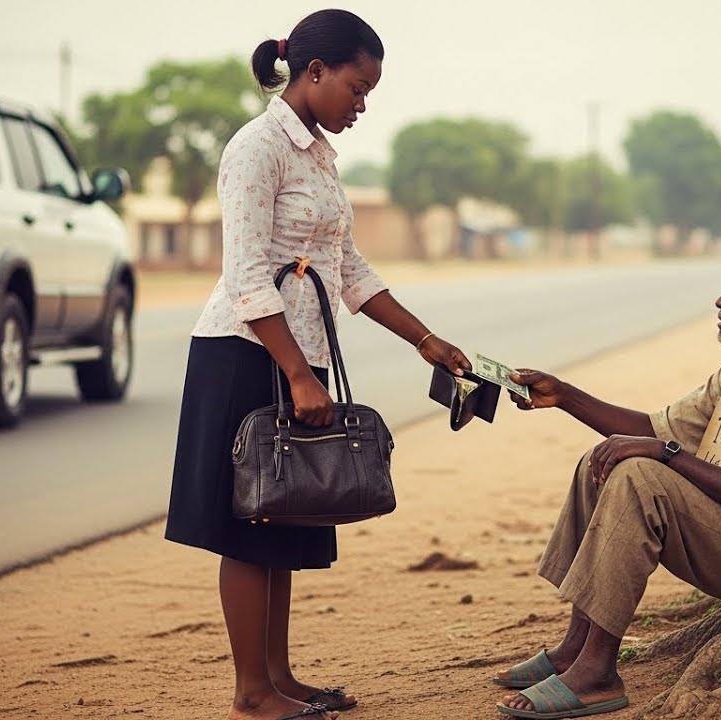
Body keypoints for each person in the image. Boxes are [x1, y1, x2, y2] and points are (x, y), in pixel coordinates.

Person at [164, 10, 471, 720]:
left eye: (369, 93)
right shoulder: (256, 148)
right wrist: (299, 374)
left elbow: (347, 269)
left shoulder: (319, 156)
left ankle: (279, 677)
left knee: (285, 514)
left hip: (299, 358)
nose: (361, 105)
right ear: (315, 72)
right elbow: (246, 276)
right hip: (247, 355)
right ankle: (250, 694)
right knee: (246, 525)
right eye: (357, 89)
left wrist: (425, 339)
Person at [494, 247, 721, 719]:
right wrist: (564, 395)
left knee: (640, 475)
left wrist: (667, 455)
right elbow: (654, 430)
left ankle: (597, 673)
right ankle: (575, 648)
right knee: (607, 458)